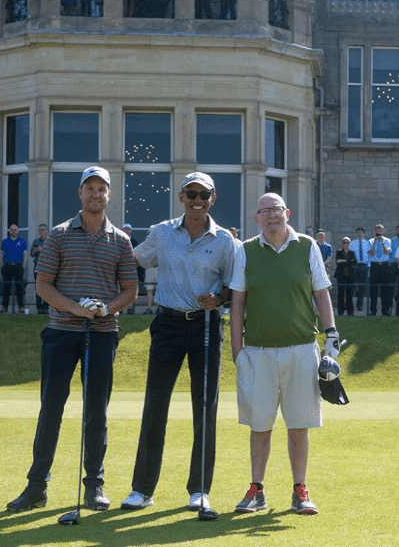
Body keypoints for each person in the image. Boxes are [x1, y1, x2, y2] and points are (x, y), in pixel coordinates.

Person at [7, 166, 138, 513]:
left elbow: (130, 290)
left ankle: (94, 485)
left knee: (97, 412)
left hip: (102, 334)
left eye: (102, 189)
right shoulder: (60, 234)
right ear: (80, 193)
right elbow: (43, 285)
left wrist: (106, 309)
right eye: (89, 188)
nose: (96, 194)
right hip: (61, 333)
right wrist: (77, 310)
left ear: (109, 195)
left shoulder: (121, 241)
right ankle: (37, 486)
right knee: (51, 409)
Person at [120, 172, 236, 513]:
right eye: (191, 193)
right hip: (168, 324)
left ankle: (199, 489)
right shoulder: (161, 232)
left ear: (213, 198)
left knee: (205, 408)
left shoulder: (226, 240)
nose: (197, 199)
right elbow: (132, 261)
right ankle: (142, 489)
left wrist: (219, 297)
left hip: (206, 327)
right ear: (181, 197)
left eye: (204, 194)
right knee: (155, 405)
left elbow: (234, 287)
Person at [229, 193, 339, 515]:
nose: (272, 216)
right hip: (258, 352)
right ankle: (256, 489)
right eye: (265, 211)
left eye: (277, 209)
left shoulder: (307, 246)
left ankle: (299, 490)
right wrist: (238, 352)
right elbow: (237, 303)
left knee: (298, 425)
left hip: (302, 349)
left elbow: (321, 293)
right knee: (259, 425)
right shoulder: (246, 250)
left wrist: (331, 334)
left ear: (287, 213)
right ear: (257, 219)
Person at [0, 224, 28, 313]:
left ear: (18, 231)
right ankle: (4, 307)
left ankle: (21, 307)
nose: (13, 231)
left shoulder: (22, 241)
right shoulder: (5, 241)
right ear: (9, 231)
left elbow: (25, 255)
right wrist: (2, 265)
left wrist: (23, 266)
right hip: (7, 266)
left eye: (15, 229)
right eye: (11, 229)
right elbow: (1, 254)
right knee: (6, 287)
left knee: (20, 287)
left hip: (18, 266)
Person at [368, 224, 392, 316]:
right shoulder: (370, 241)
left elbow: (386, 252)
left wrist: (382, 242)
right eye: (377, 231)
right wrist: (374, 242)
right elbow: (371, 253)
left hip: (384, 265)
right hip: (374, 265)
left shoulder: (387, 240)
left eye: (380, 231)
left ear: (383, 231)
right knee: (373, 289)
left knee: (384, 289)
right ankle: (373, 310)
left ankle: (385, 310)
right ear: (374, 231)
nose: (379, 233)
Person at [122, 223, 145, 314]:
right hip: (122, 269)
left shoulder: (134, 241)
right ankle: (123, 308)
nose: (127, 231)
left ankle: (131, 308)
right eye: (125, 229)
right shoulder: (118, 239)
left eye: (128, 229)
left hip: (132, 269)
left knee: (132, 289)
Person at [349, 227, 370, 312]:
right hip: (355, 265)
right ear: (356, 234)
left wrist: (368, 265)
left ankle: (359, 305)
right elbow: (350, 255)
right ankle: (350, 306)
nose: (359, 234)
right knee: (353, 286)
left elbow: (370, 255)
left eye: (361, 232)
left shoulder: (367, 243)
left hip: (364, 266)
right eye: (358, 233)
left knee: (362, 287)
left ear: (363, 234)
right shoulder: (352, 243)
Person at [334, 236, 357, 316]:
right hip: (341, 275)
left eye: (347, 242)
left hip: (350, 275)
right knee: (341, 293)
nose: (346, 244)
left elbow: (354, 262)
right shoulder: (339, 251)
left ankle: (350, 311)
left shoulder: (352, 252)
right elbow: (337, 261)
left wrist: (343, 261)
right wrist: (347, 261)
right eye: (344, 242)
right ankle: (340, 311)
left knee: (349, 294)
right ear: (342, 243)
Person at [30, 224, 49, 314]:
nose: (41, 231)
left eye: (42, 230)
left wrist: (42, 249)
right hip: (38, 266)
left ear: (46, 231)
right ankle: (39, 308)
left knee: (47, 287)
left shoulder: (50, 241)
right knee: (38, 287)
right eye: (39, 230)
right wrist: (35, 250)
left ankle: (46, 307)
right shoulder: (35, 241)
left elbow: (53, 253)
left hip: (47, 266)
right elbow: (31, 254)